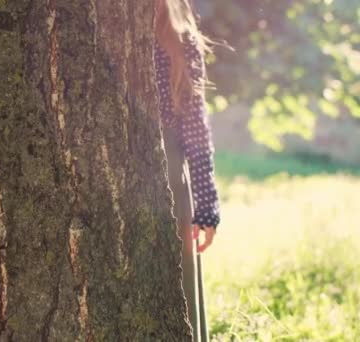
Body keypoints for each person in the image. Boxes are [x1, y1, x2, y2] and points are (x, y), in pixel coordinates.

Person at [154, 0, 221, 341]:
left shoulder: (179, 39)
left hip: (167, 178)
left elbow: (196, 131)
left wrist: (206, 208)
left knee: (175, 289)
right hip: (156, 173)